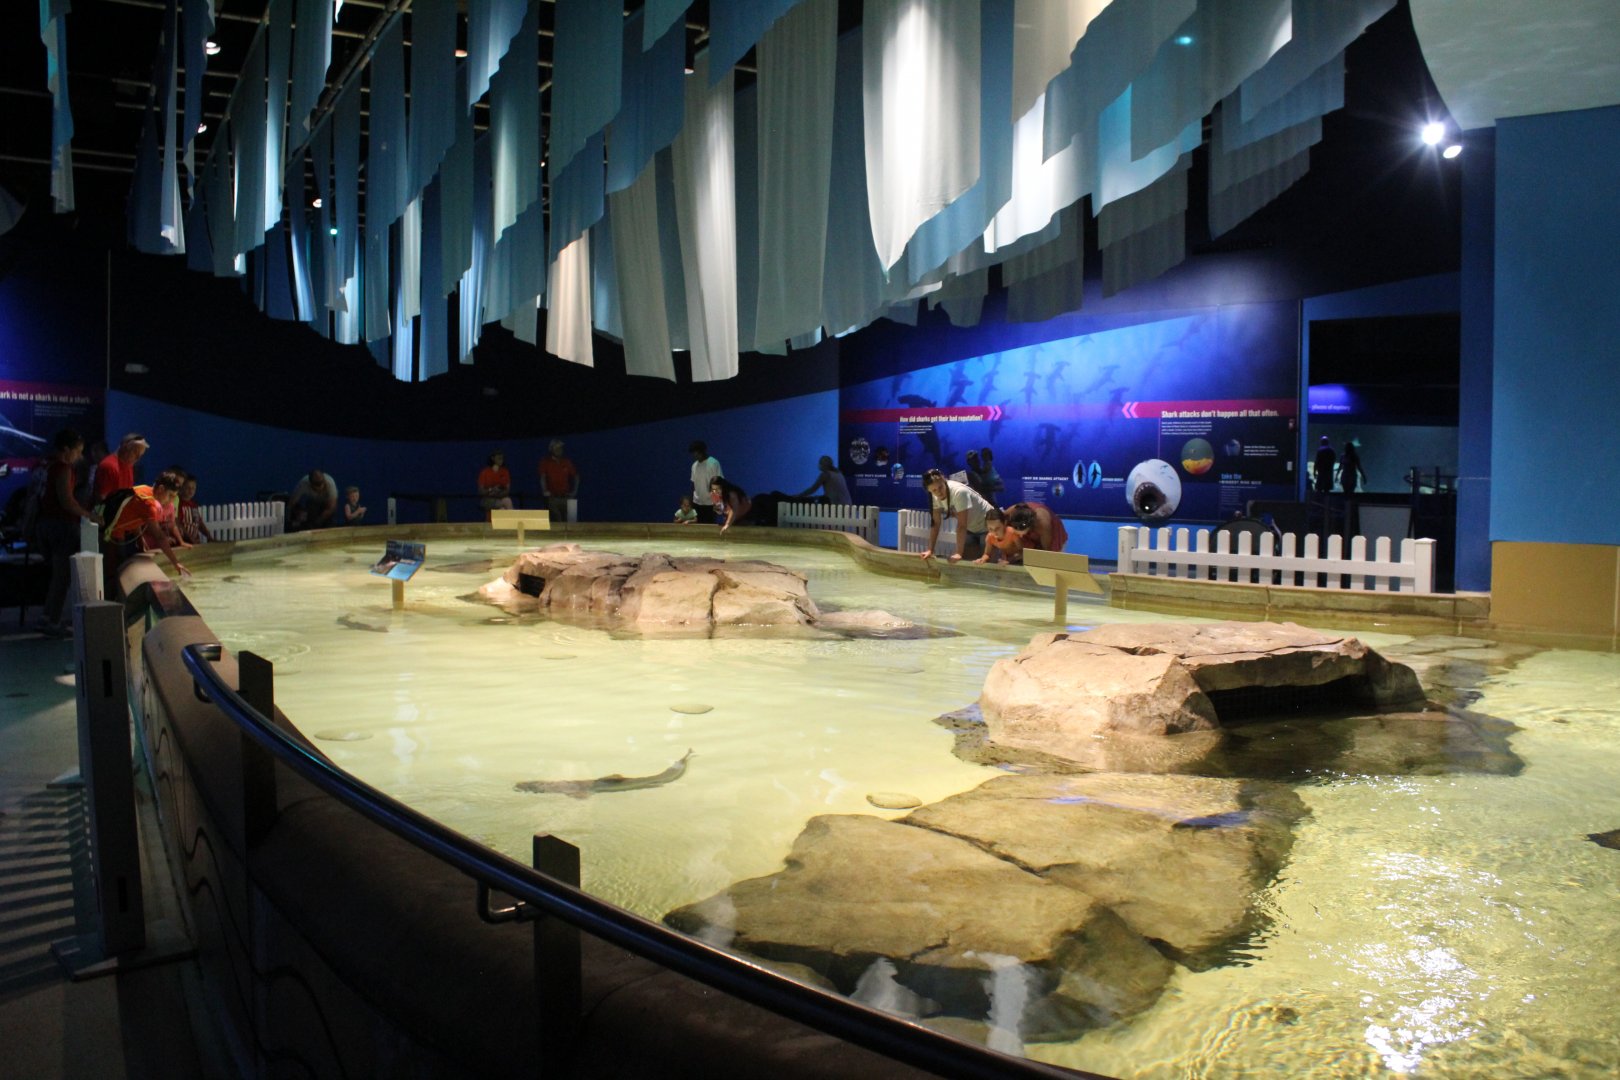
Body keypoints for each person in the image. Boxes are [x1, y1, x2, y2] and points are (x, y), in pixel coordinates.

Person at [33, 429, 101, 636]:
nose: (79, 456)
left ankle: (47, 616)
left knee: (56, 575)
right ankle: (53, 622)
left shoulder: (45, 464)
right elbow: (67, 501)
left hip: (45, 525)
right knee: (62, 576)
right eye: (77, 451)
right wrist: (89, 515)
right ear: (66, 449)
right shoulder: (63, 468)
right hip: (61, 526)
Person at [103, 468, 189, 584]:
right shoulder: (151, 505)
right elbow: (159, 536)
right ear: (161, 489)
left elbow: (135, 517)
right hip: (110, 533)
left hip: (113, 528)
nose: (171, 500)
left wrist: (140, 541)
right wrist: (176, 563)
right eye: (170, 495)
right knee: (114, 571)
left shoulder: (144, 489)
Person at [920, 467, 992, 561]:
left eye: (940, 487)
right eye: (934, 490)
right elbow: (936, 524)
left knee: (987, 562)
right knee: (969, 562)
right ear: (929, 491)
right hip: (971, 529)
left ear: (944, 480)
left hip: (989, 526)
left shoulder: (959, 492)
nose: (938, 492)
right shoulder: (934, 496)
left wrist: (958, 552)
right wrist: (930, 550)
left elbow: (962, 525)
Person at [93, 432, 149, 503]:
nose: (138, 458)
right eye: (135, 452)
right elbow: (101, 499)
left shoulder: (128, 465)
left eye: (140, 455)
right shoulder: (109, 466)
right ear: (124, 447)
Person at [538, 439, 579, 523]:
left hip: (567, 497)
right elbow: (542, 478)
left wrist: (574, 491)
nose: (559, 450)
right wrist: (545, 491)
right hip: (553, 498)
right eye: (556, 448)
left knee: (572, 521)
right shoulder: (545, 462)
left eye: (560, 448)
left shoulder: (566, 462)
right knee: (557, 522)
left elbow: (576, 476)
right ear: (551, 449)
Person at [688, 440, 723, 525]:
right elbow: (693, 484)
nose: (694, 455)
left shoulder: (714, 463)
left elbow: (719, 483)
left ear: (702, 451)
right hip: (697, 503)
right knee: (697, 528)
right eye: (693, 453)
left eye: (696, 453)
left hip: (711, 503)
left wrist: (717, 503)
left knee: (709, 527)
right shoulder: (694, 465)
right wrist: (691, 502)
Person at [177, 473, 214, 544]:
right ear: (182, 488)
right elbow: (178, 524)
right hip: (184, 542)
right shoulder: (179, 504)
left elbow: (198, 521)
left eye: (193, 488)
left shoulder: (194, 505)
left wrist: (208, 535)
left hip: (195, 540)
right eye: (188, 488)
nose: (191, 490)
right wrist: (189, 538)